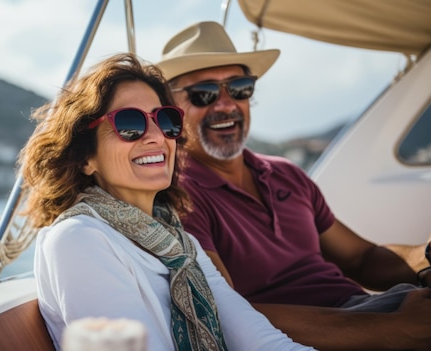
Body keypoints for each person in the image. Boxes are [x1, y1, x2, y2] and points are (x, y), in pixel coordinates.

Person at [156, 21, 431, 350]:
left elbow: (362, 259)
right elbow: (220, 313)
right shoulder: (178, 194)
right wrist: (394, 330)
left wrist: (425, 255)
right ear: (170, 110)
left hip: (371, 315)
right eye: (205, 93)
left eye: (240, 87)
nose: (227, 104)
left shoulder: (286, 172)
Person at [18, 53, 314, 350]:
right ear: (86, 157)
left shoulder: (183, 246)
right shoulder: (78, 240)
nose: (156, 137)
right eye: (130, 123)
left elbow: (264, 342)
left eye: (165, 120)